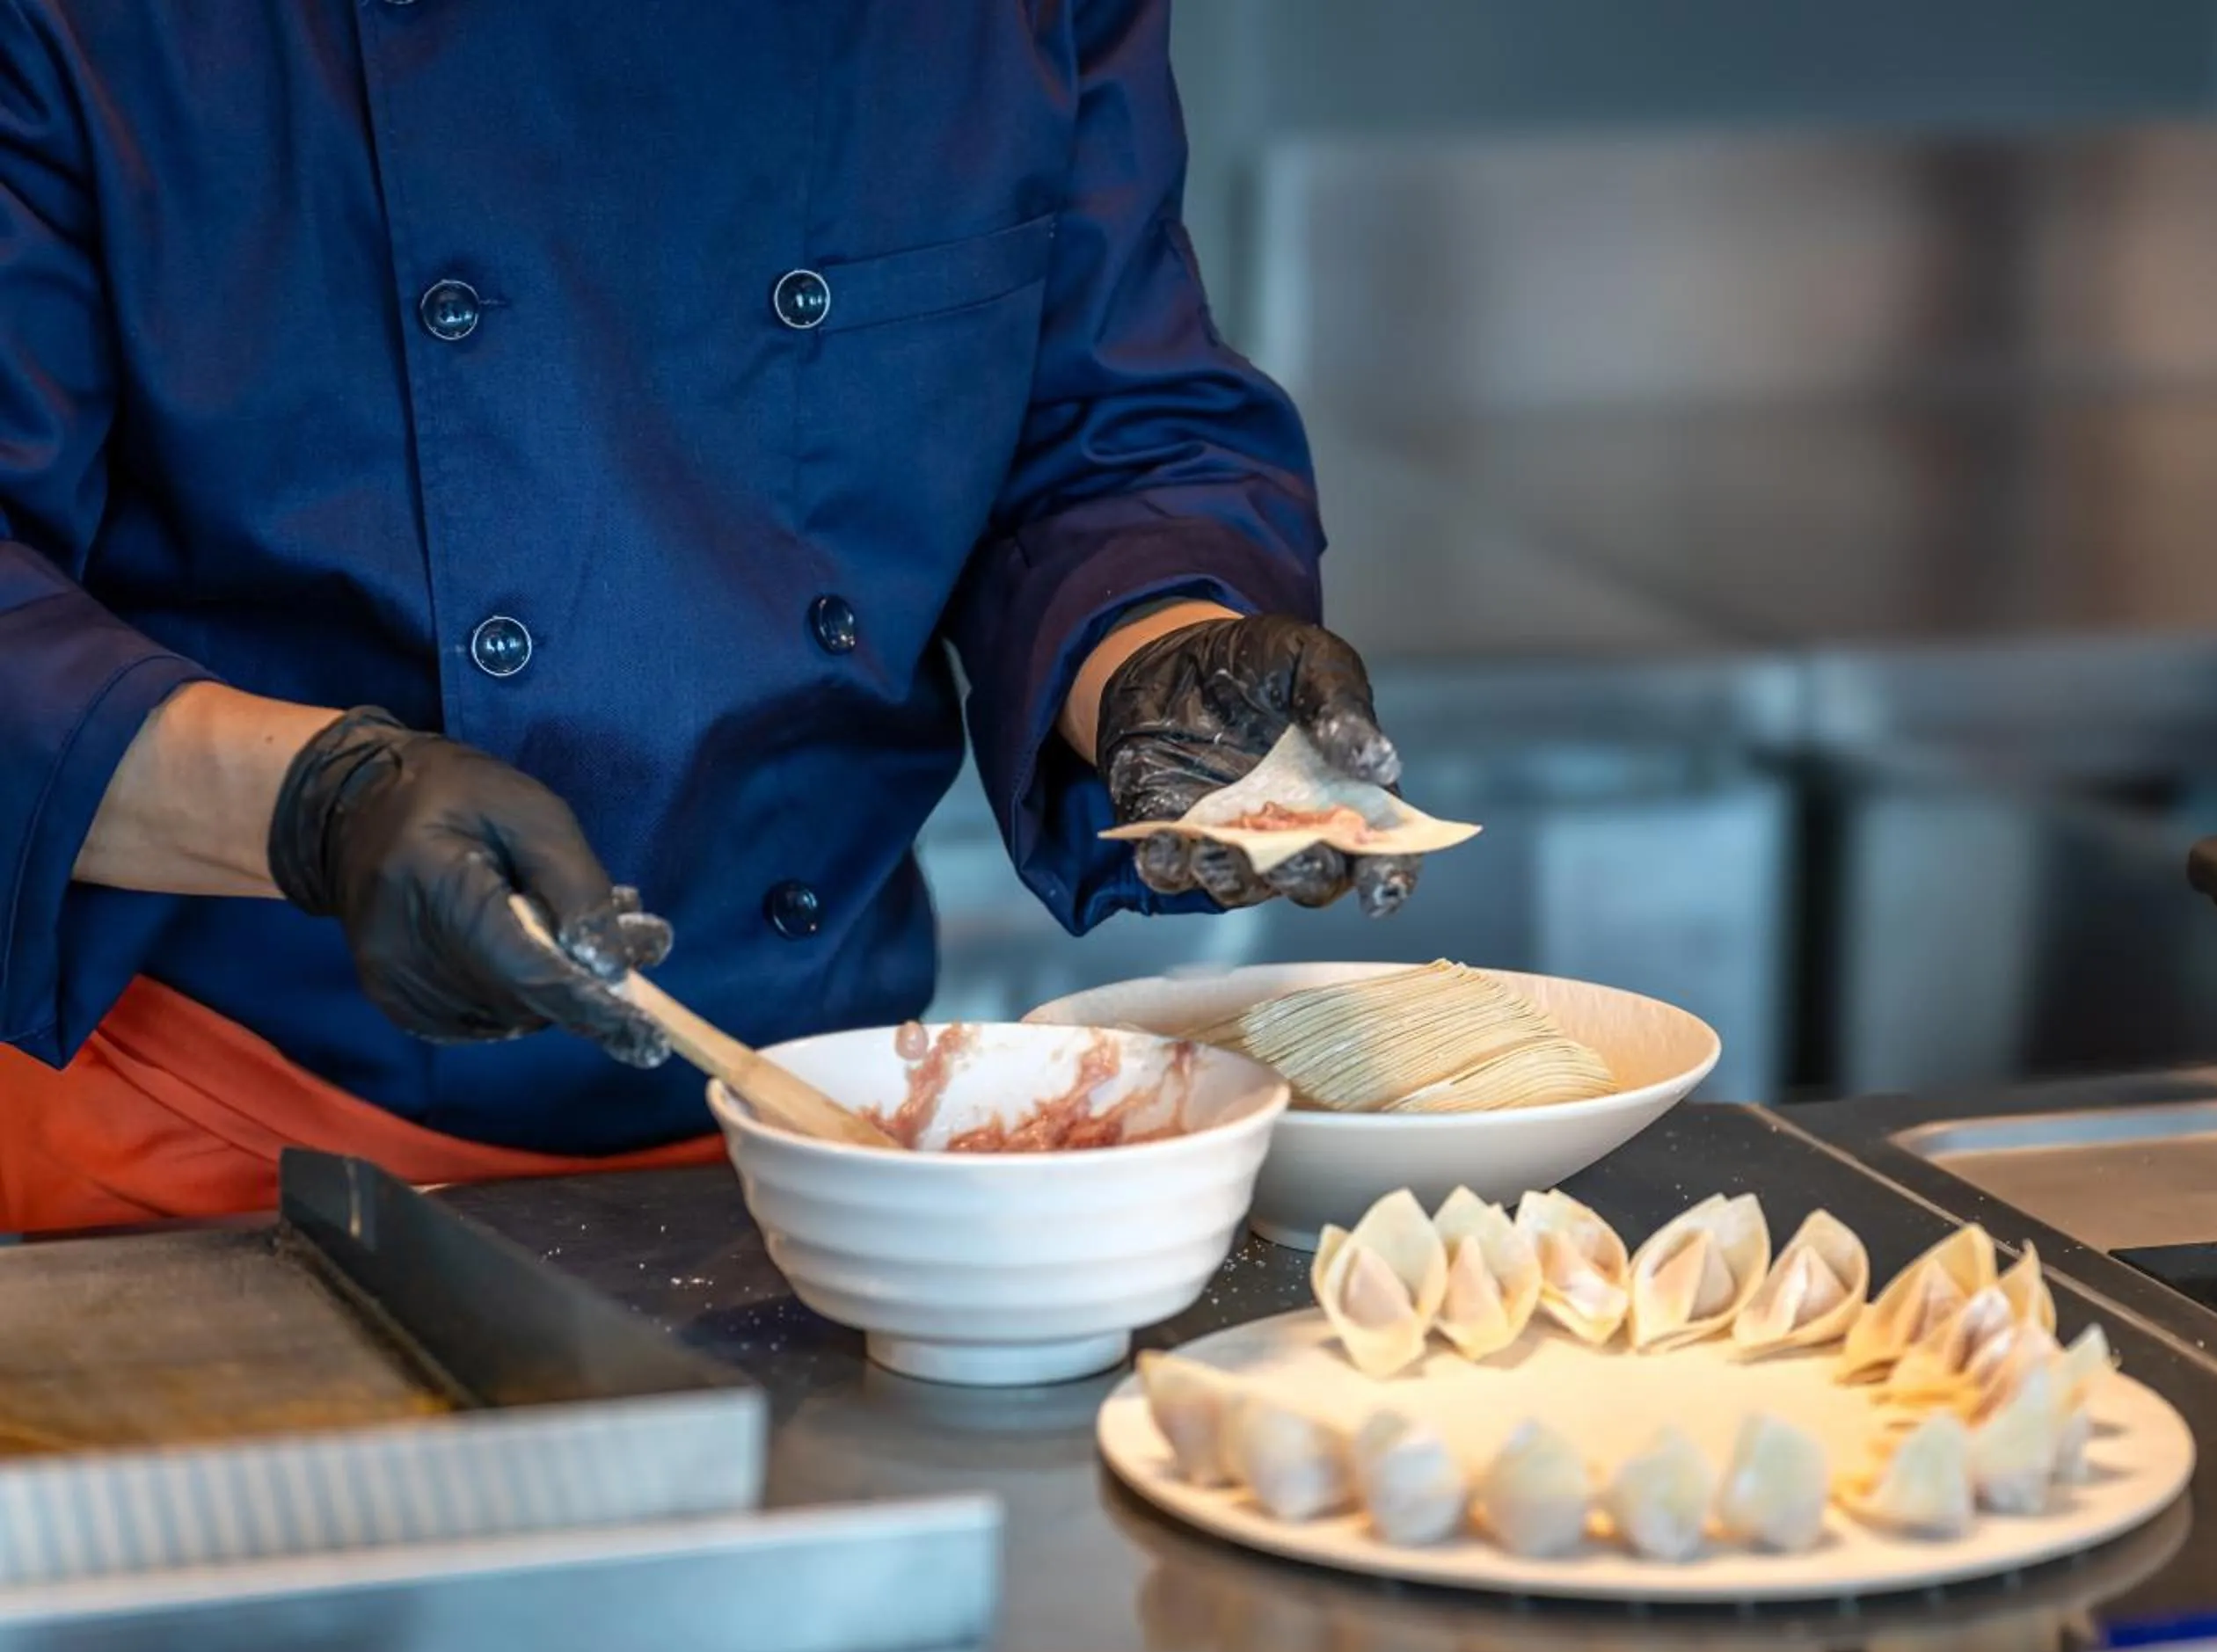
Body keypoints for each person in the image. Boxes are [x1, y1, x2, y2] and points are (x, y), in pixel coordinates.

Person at [0, 0, 1412, 1233]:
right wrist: (319, 805)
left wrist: (1166, 658)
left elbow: (1091, 428)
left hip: (824, 1136)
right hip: (221, 1144)